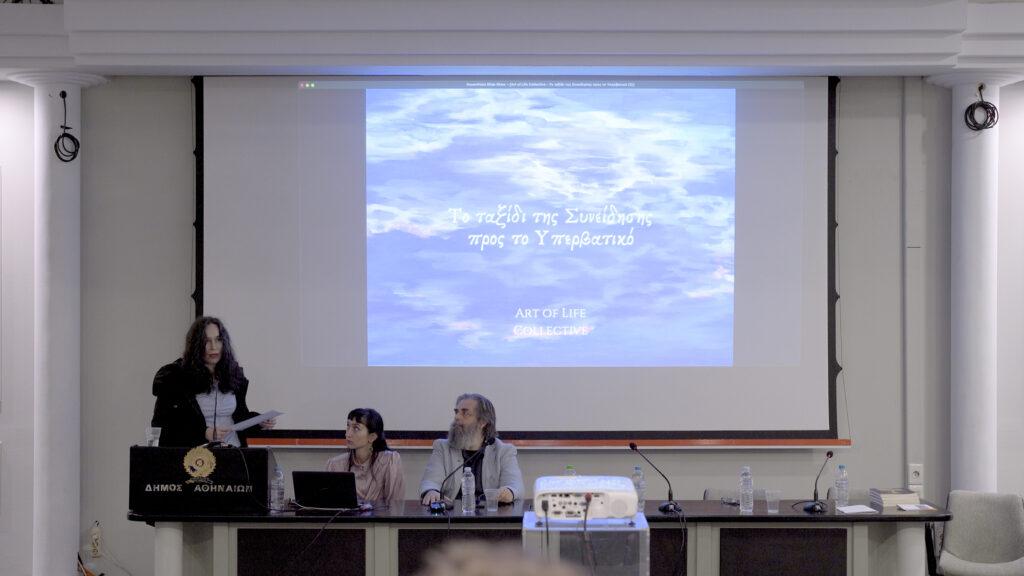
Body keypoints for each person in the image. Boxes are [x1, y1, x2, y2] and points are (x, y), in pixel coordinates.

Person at [151, 316, 276, 447]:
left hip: (234, 451)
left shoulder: (233, 375)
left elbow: (239, 416)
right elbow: (163, 426)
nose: (213, 347)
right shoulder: (175, 378)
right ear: (196, 345)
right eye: (206, 341)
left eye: (218, 340)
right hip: (197, 455)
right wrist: (203, 433)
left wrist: (258, 421)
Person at [420, 393, 523, 506]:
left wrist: (509, 492)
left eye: (464, 413)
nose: (457, 417)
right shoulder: (442, 448)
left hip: (489, 513)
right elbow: (430, 481)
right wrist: (431, 491)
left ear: (482, 422)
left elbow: (515, 485)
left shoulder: (504, 451)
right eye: (456, 412)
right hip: (452, 512)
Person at [325, 408, 405, 503]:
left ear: (372, 437)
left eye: (356, 428)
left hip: (382, 513)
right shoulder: (335, 465)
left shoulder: (389, 461)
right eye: (348, 426)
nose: (347, 434)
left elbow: (395, 505)